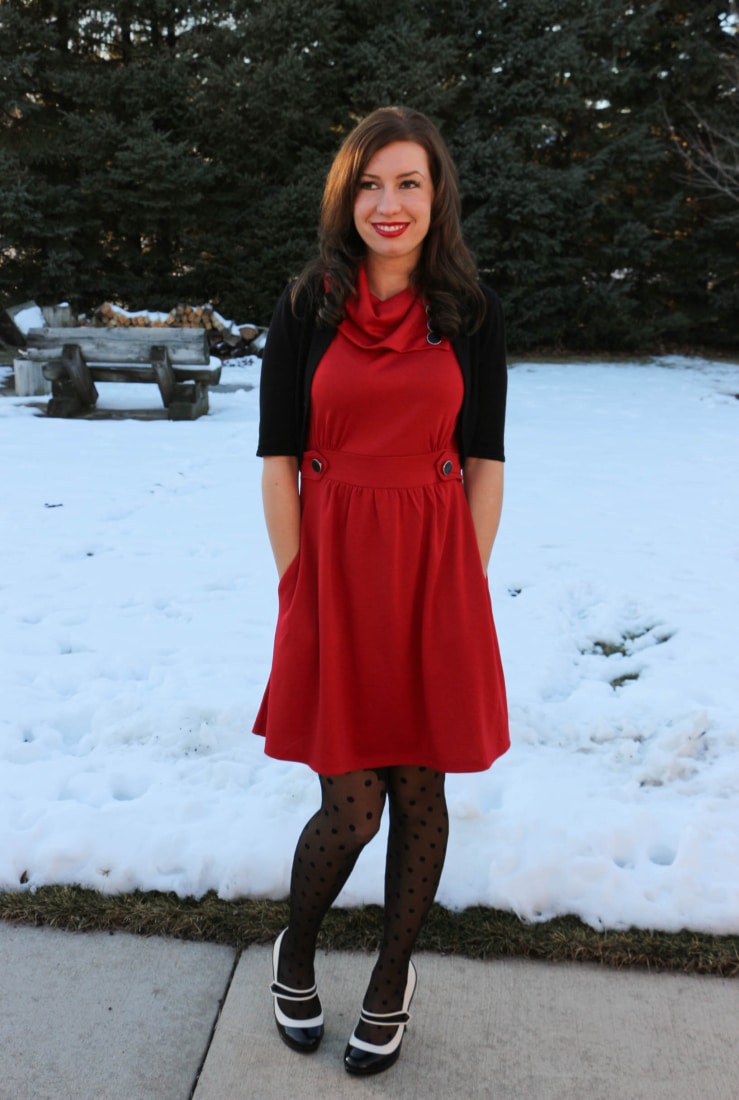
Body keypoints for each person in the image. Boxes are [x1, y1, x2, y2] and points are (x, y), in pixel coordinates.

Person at [253, 105, 509, 1076]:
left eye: (406, 182)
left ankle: (392, 977)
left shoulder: (470, 309)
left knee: (421, 790)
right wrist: (295, 581)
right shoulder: (307, 304)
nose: (387, 202)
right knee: (352, 804)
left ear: (435, 193)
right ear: (344, 196)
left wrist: (462, 583)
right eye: (368, 183)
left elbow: (483, 459)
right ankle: (298, 945)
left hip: (435, 574)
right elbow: (277, 458)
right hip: (335, 574)